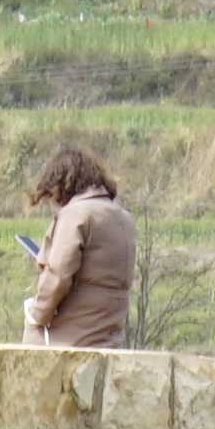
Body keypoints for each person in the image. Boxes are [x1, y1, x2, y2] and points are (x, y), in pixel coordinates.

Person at [21, 144, 134, 347]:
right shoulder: (123, 217)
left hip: (74, 335)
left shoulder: (77, 215)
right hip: (111, 334)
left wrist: (36, 314)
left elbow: (59, 275)